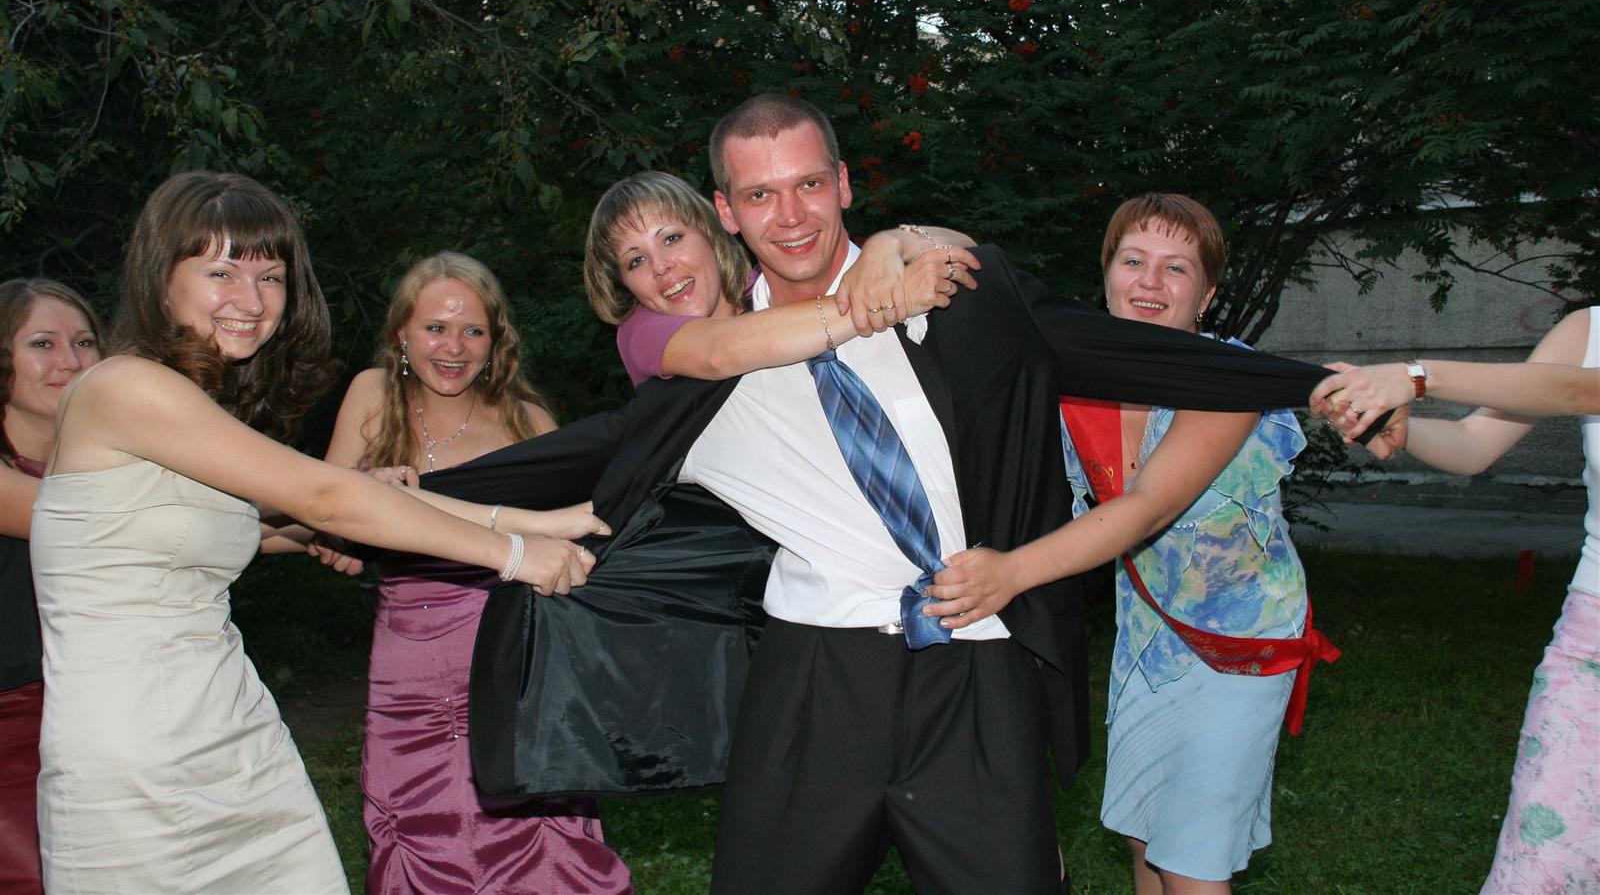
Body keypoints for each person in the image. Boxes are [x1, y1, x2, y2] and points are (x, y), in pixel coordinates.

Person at [430, 94, 1362, 894]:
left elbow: (1110, 347)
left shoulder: (950, 291)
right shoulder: (695, 371)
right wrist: (397, 500)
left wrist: (1311, 382)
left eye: (807, 184)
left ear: (842, 183)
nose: (789, 215)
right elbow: (575, 475)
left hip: (977, 657)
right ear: (728, 211)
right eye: (759, 195)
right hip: (813, 676)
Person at [29, 171, 601, 894]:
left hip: (235, 729)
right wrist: (513, 554)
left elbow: (308, 514)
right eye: (220, 272)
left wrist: (541, 521)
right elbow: (327, 496)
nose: (251, 299)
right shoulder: (123, 387)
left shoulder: (194, 412)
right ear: (160, 279)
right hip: (131, 752)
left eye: (270, 276)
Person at [1048, 195, 1336, 894]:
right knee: (1147, 841)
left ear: (1205, 296)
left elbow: (1147, 509)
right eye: (1133, 260)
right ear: (1107, 275)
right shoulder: (1077, 384)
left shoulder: (1228, 377)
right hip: (1148, 645)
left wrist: (1007, 573)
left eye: (1176, 268)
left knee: (1190, 861)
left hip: (1242, 649)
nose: (1150, 281)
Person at [323, 252, 631, 894]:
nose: (454, 348)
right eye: (435, 328)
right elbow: (326, 502)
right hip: (408, 668)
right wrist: (337, 535)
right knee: (420, 828)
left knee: (540, 836)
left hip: (511, 652)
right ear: (401, 334)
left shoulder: (528, 422)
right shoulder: (372, 396)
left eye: (473, 331)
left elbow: (574, 545)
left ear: (495, 343)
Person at [1313, 309, 1599, 894]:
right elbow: (1473, 446)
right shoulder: (1587, 330)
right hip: (1590, 641)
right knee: (1542, 868)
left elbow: (1578, 391)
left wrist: (1414, 377)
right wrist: (1390, 420)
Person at [582, 169, 978, 387]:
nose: (661, 267)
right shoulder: (641, 333)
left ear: (710, 231)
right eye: (636, 261)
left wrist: (889, 245)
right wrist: (892, 298)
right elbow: (721, 352)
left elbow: (967, 248)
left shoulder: (767, 287)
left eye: (671, 238)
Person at [0, 279, 102, 895]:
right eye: (43, 343)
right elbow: (100, 523)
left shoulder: (111, 465)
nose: (70, 360)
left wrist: (319, 531)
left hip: (96, 714)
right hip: (10, 725)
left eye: (84, 342)